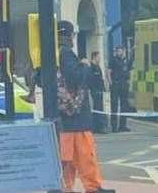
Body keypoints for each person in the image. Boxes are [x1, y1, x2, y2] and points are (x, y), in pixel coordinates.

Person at [57, 20, 114, 193]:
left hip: (65, 117)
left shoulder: (54, 52)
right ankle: (93, 187)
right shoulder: (66, 54)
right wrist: (85, 65)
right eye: (72, 35)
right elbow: (75, 77)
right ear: (67, 35)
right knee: (85, 155)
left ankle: (64, 187)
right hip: (76, 116)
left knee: (67, 158)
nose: (73, 39)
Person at [107, 45, 131, 133]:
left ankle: (123, 125)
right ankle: (114, 127)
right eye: (118, 51)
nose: (119, 52)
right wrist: (110, 82)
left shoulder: (125, 60)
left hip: (124, 84)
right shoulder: (113, 60)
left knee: (124, 105)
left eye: (121, 51)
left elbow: (127, 70)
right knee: (114, 106)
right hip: (115, 84)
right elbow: (108, 71)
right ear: (116, 52)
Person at [89, 51, 108, 134]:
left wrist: (103, 89)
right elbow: (91, 79)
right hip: (95, 91)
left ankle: (99, 127)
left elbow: (101, 79)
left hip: (100, 91)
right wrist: (93, 89)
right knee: (97, 109)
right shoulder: (91, 67)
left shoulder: (98, 67)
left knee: (100, 109)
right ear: (94, 57)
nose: (100, 59)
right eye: (98, 57)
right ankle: (97, 127)